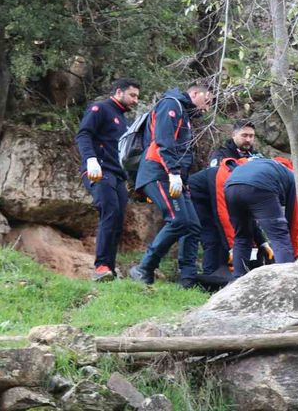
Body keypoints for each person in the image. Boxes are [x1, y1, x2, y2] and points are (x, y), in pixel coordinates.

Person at [128, 84, 214, 286]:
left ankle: (188, 279)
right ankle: (144, 268)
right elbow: (164, 141)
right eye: (207, 101)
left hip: (173, 176)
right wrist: (174, 173)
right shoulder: (171, 104)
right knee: (178, 220)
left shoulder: (183, 112)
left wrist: (180, 178)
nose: (207, 108)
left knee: (192, 225)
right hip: (158, 173)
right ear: (195, 93)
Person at [74, 78, 140, 281]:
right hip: (100, 171)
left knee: (118, 220)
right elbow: (83, 134)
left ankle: (109, 270)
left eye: (137, 96)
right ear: (119, 92)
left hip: (118, 176)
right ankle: (101, 266)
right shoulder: (100, 108)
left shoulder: (124, 121)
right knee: (109, 213)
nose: (136, 100)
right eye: (132, 95)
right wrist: (91, 159)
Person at [223, 157, 298, 278]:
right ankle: (286, 279)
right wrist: (294, 255)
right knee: (279, 236)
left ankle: (237, 279)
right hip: (260, 186)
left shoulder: (263, 165)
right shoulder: (292, 177)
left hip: (231, 186)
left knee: (242, 236)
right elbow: (295, 220)